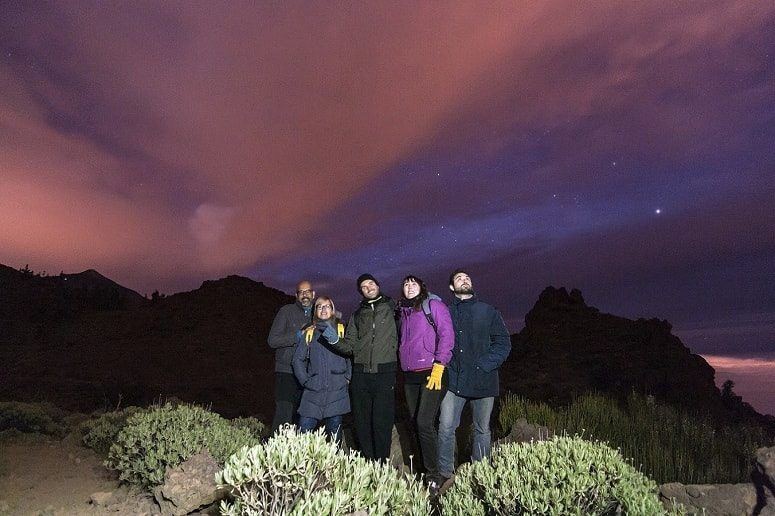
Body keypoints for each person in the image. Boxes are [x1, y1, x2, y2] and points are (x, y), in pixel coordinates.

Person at [437, 269, 511, 482]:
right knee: (446, 427)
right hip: (454, 379)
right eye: (459, 278)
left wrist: (484, 365)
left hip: (483, 379)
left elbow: (503, 343)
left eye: (467, 277)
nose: (465, 279)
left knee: (482, 429)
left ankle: (480, 473)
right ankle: (444, 474)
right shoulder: (446, 312)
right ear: (452, 287)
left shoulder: (488, 311)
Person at [332, 273, 398, 461]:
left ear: (378, 284)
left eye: (370, 283)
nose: (368, 287)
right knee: (361, 422)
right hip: (360, 374)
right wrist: (330, 335)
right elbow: (349, 345)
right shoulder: (357, 314)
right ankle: (368, 461)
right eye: (363, 287)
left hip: (385, 372)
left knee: (381, 421)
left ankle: (382, 463)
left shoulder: (393, 308)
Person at [397, 275, 454, 489]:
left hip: (432, 371)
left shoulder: (434, 305)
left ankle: (434, 474)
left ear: (421, 286)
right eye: (406, 284)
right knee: (415, 423)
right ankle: (421, 470)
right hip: (410, 374)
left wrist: (440, 365)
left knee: (424, 422)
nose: (409, 287)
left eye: (413, 283)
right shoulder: (404, 311)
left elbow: (447, 334)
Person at [292, 296, 351, 444]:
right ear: (315, 311)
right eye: (319, 306)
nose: (323, 309)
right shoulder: (309, 333)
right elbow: (297, 359)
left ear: (332, 309)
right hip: (313, 392)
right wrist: (304, 380)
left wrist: (347, 377)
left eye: (327, 306)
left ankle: (333, 467)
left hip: (337, 391)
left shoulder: (341, 329)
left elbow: (350, 354)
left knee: (334, 439)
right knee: (303, 435)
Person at [267, 280, 314, 434]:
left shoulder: (320, 313)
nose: (305, 295)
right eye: (301, 292)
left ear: (313, 294)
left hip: (309, 374)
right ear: (296, 295)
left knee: (305, 417)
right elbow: (272, 340)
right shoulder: (286, 312)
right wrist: (297, 336)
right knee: (284, 414)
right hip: (286, 371)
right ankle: (275, 450)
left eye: (308, 291)